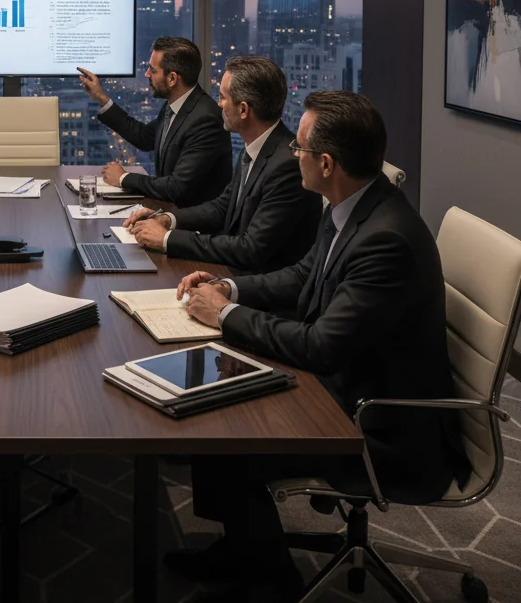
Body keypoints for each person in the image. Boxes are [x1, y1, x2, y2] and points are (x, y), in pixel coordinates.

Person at [165, 91, 468, 602]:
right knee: (219, 402)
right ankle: (244, 553)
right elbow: (304, 275)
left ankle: (267, 578)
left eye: (299, 149)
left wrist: (224, 315)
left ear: (326, 164)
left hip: (384, 427)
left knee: (227, 429)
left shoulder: (385, 239)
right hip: (353, 384)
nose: (290, 155)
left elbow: (321, 347)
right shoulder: (351, 202)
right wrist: (229, 289)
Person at [125, 56, 320, 273]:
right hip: (230, 272)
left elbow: (250, 248)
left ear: (244, 110)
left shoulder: (286, 166)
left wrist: (167, 239)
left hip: (256, 289)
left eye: (223, 97)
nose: (218, 105)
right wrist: (166, 219)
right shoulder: (256, 146)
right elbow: (223, 206)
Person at [77, 37, 231, 206]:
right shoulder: (176, 106)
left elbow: (176, 187)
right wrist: (101, 98)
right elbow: (144, 137)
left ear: (172, 78)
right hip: (168, 212)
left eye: (153, 70)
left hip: (192, 225)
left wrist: (123, 178)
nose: (147, 74)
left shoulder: (205, 119)